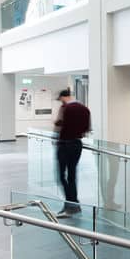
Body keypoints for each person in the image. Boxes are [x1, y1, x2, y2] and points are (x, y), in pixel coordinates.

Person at [54, 88, 91, 218]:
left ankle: (72, 205)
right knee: (71, 176)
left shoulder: (66, 109)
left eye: (61, 99)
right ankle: (72, 204)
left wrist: (58, 124)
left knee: (61, 176)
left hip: (65, 144)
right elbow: (86, 128)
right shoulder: (85, 109)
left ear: (64, 97)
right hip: (77, 144)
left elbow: (61, 126)